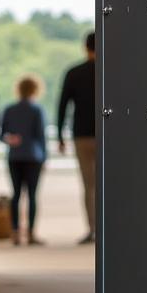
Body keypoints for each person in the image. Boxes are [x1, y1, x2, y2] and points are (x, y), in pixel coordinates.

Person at [57, 31, 96, 244]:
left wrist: (61, 136)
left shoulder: (74, 73)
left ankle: (93, 229)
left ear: (86, 47)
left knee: (88, 185)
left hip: (81, 135)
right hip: (107, 134)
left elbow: (63, 104)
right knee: (108, 182)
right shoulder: (112, 70)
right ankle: (109, 227)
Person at [0, 75, 47, 246]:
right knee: (32, 195)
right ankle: (31, 233)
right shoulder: (37, 110)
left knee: (16, 194)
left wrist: (10, 139)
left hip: (15, 156)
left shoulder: (9, 109)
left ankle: (15, 233)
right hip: (34, 157)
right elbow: (41, 137)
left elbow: (2, 134)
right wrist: (45, 158)